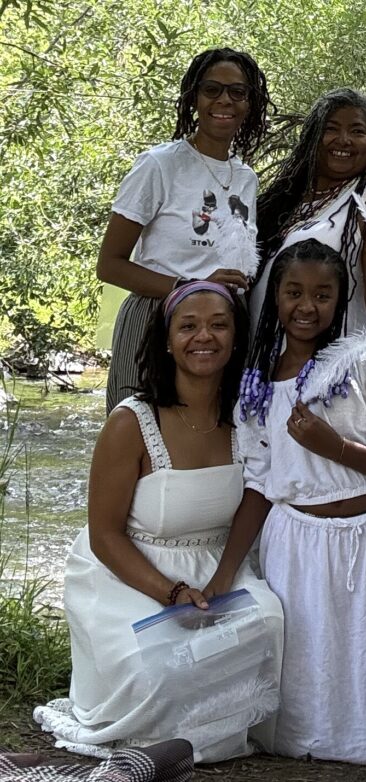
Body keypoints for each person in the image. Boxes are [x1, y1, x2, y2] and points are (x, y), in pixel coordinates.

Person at [35, 281, 284, 762]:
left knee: (269, 625)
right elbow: (104, 535)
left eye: (218, 324)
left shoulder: (246, 415)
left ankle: (214, 735)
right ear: (167, 340)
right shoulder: (132, 422)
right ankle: (156, 742)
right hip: (128, 573)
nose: (203, 337)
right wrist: (170, 594)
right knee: (160, 668)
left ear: (236, 337)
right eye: (188, 326)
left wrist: (222, 577)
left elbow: (257, 495)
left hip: (217, 566)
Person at [204, 238, 366, 762]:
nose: (307, 307)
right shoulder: (257, 383)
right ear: (274, 298)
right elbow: (260, 485)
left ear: (340, 301)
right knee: (306, 654)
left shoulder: (363, 362)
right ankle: (303, 743)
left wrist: (337, 447)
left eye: (323, 295)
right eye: (293, 293)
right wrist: (225, 573)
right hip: (295, 539)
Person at [98, 47, 271, 414]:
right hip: (154, 318)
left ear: (250, 103)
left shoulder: (246, 178)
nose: (224, 100)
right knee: (136, 433)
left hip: (221, 327)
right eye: (212, 90)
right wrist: (189, 287)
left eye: (237, 92)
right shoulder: (159, 165)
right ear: (194, 97)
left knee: (207, 437)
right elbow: (110, 265)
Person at [250, 88, 366, 333]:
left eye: (357, 131)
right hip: (260, 357)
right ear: (312, 136)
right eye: (331, 129)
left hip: (328, 362)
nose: (344, 139)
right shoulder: (282, 199)